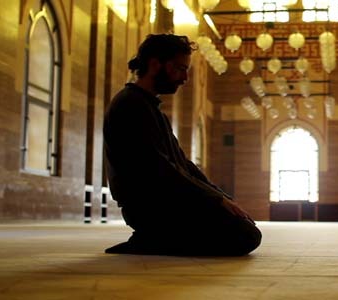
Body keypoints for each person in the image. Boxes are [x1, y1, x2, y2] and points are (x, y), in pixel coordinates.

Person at [103, 34, 261, 256]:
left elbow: (183, 164)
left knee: (245, 228)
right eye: (180, 68)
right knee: (245, 236)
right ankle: (150, 240)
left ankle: (154, 238)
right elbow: (160, 169)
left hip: (167, 202)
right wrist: (215, 200)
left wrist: (221, 197)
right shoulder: (130, 105)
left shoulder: (150, 107)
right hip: (150, 207)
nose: (185, 78)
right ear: (155, 64)